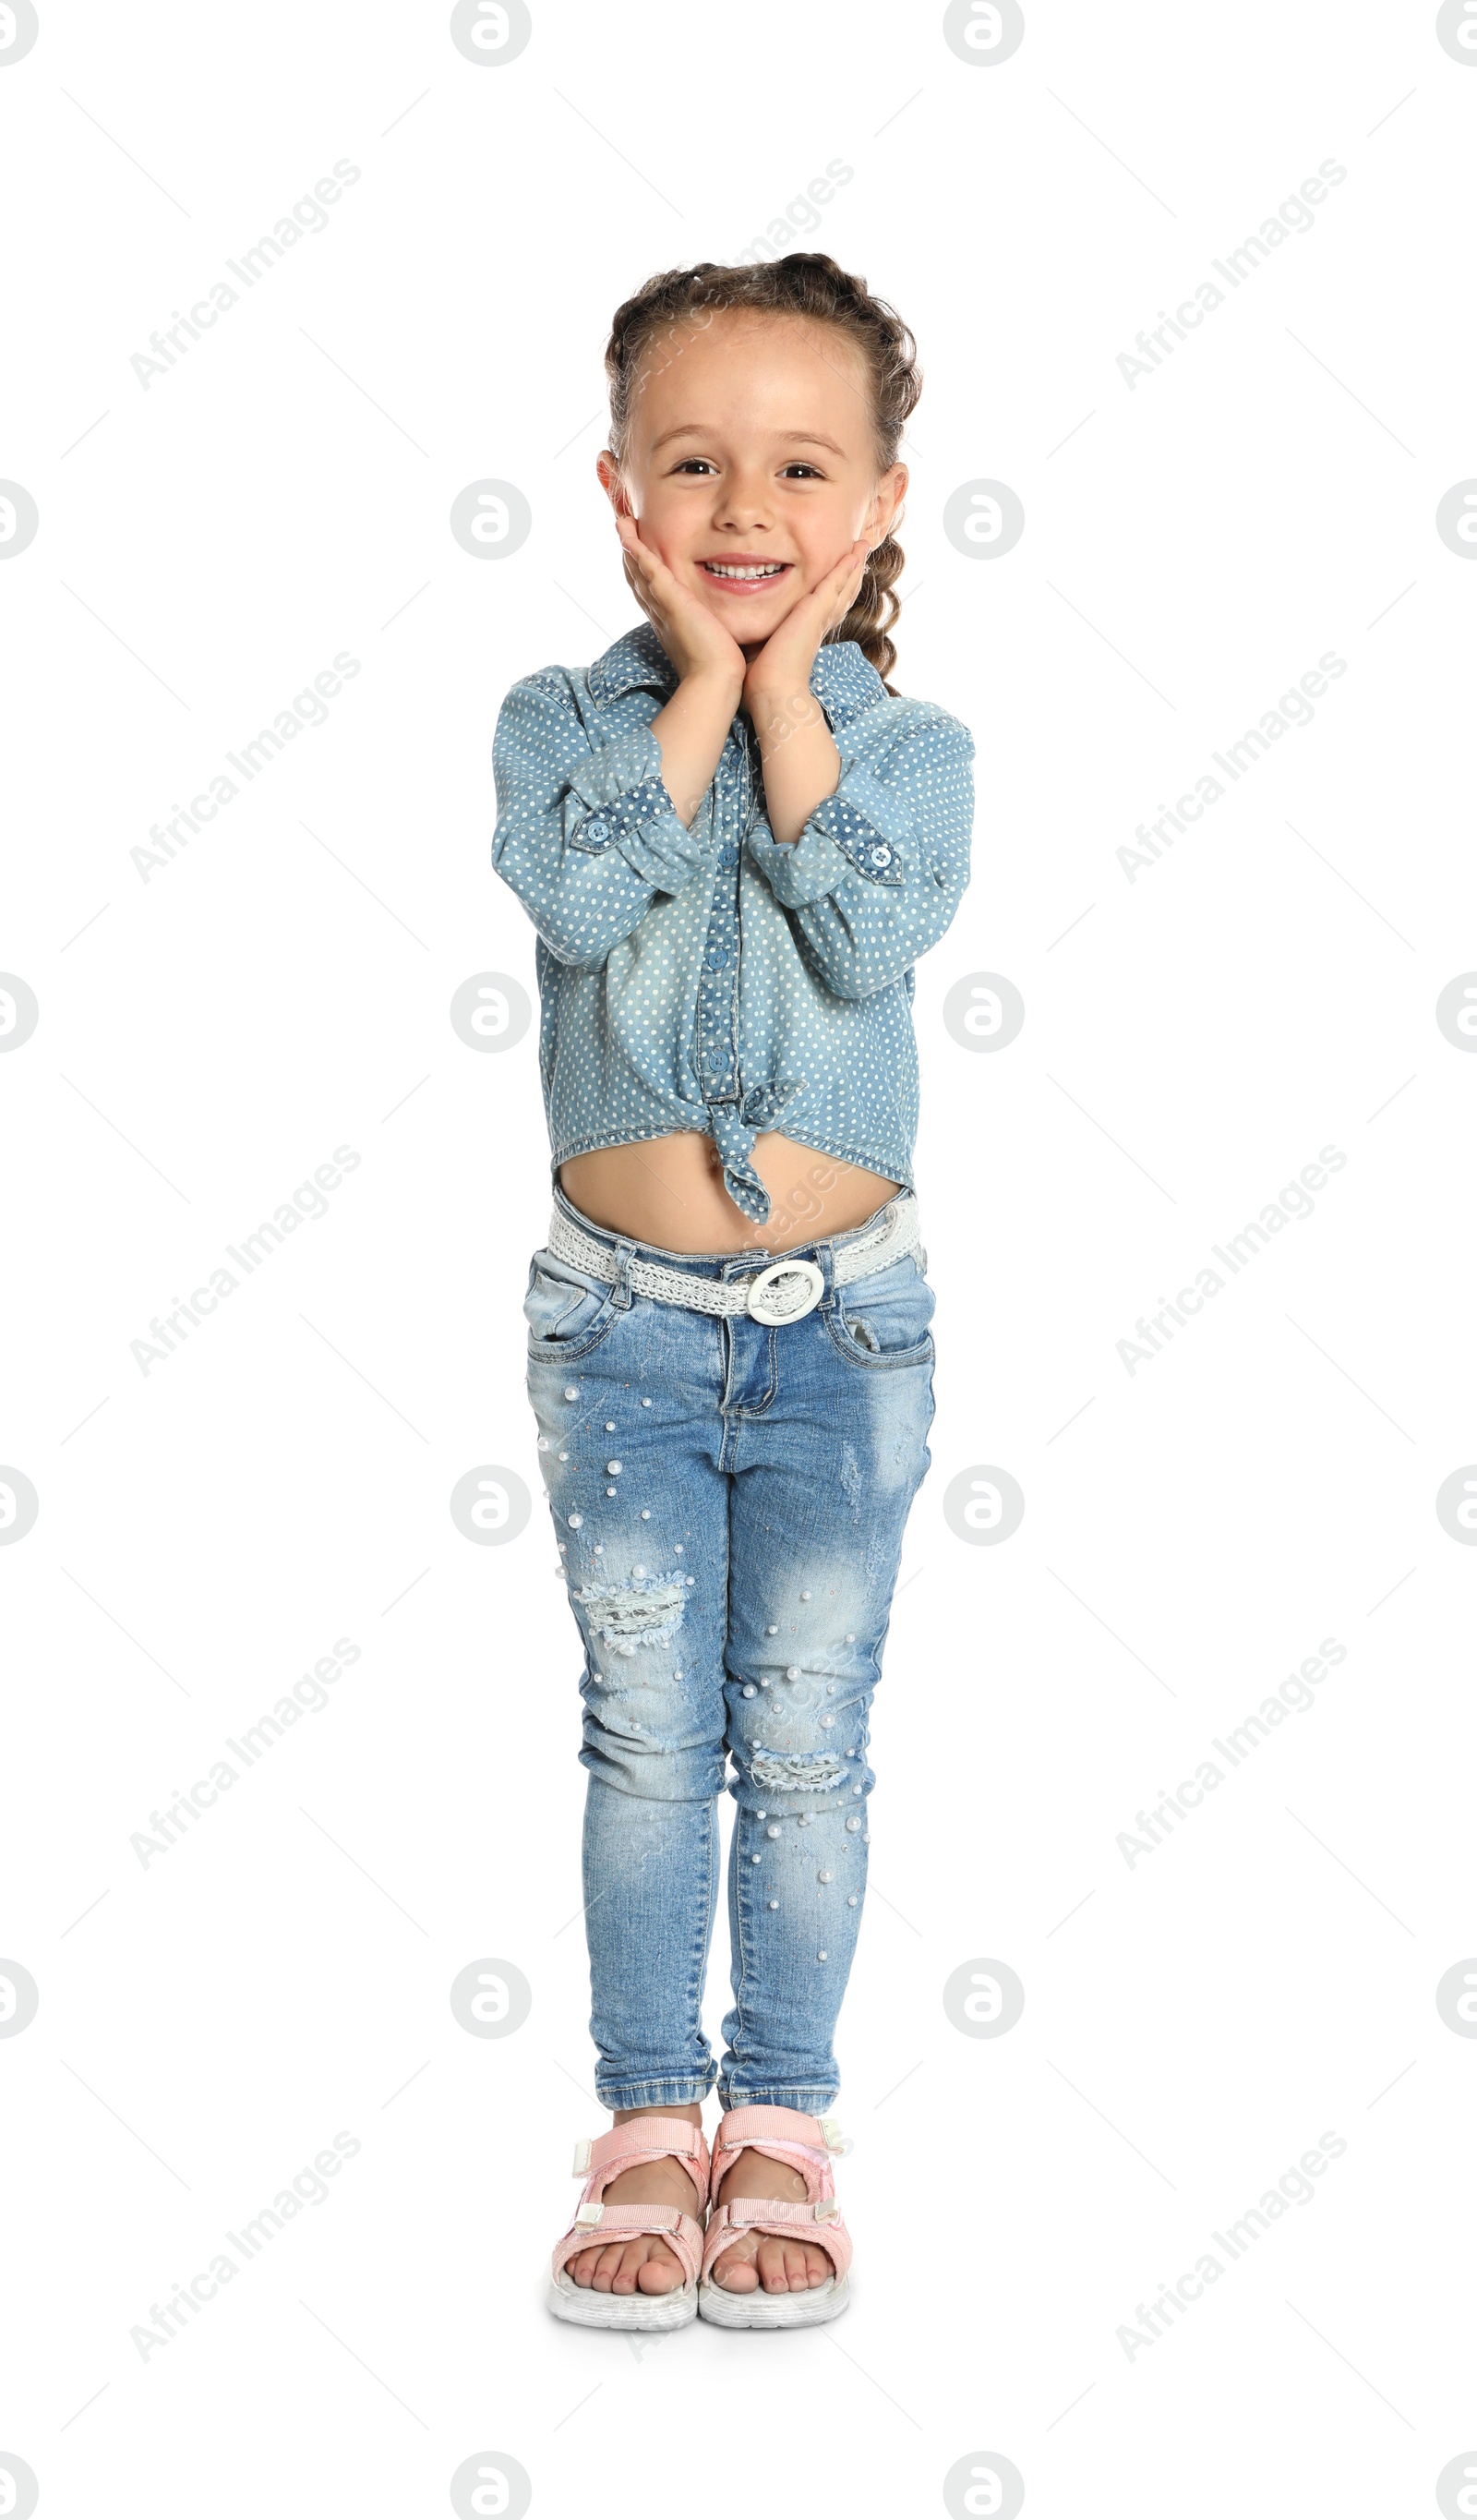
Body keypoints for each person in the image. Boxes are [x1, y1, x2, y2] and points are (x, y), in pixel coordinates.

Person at [491, 252, 975, 2329]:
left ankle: (776, 2114)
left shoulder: (915, 746)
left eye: (797, 466)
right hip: (615, 1324)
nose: (743, 507)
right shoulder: (559, 723)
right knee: (640, 1736)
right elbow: (590, 893)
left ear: (876, 502)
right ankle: (634, 2126)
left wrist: (783, 694)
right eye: (693, 464)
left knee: (802, 1735)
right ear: (620, 495)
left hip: (841, 1330)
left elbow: (868, 935)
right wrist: (694, 680)